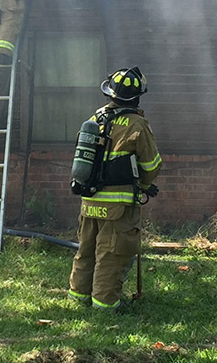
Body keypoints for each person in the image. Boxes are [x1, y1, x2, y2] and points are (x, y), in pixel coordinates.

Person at [68, 66, 162, 312]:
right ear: (137, 97)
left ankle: (78, 296)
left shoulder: (94, 119)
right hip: (118, 206)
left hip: (89, 201)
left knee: (86, 250)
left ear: (110, 93)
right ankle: (106, 304)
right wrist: (144, 185)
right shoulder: (136, 124)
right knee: (112, 254)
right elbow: (151, 166)